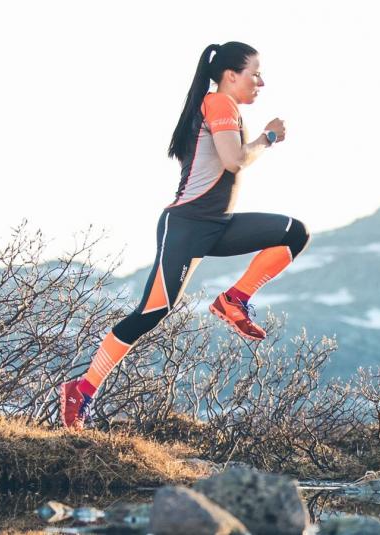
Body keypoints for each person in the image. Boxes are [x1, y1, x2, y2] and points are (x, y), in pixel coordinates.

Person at [59, 41, 310, 430]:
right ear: (231, 76)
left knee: (294, 233)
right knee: (151, 313)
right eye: (255, 74)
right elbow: (234, 161)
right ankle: (82, 390)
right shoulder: (219, 103)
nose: (261, 82)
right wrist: (269, 137)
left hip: (218, 225)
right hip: (187, 227)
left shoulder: (223, 107)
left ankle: (234, 300)